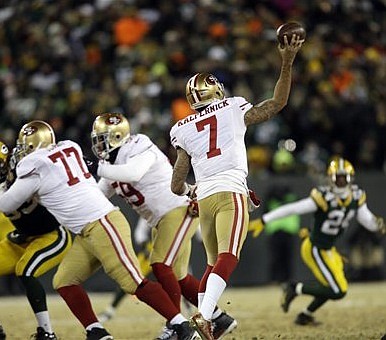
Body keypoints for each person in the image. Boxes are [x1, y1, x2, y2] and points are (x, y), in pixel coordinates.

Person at [0, 120, 196, 340]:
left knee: (133, 282)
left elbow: (6, 204)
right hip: (87, 229)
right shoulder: (69, 147)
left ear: (33, 148)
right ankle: (97, 331)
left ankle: (181, 326)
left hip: (102, 222)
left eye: (24, 147)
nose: (20, 153)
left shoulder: (36, 167)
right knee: (64, 280)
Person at [169, 33, 304, 339]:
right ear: (216, 91)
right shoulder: (232, 107)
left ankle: (203, 324)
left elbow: (177, 184)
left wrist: (191, 191)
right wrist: (287, 61)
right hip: (231, 191)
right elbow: (278, 103)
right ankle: (203, 317)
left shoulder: (182, 129)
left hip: (204, 198)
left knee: (211, 264)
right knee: (228, 258)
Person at [90, 112, 236, 340]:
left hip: (178, 208)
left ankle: (177, 326)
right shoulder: (110, 166)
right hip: (163, 218)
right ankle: (218, 318)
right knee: (178, 276)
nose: (98, 144)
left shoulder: (139, 146)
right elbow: (97, 196)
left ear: (117, 136)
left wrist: (95, 168)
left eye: (102, 138)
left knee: (159, 264)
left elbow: (133, 172)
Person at [248, 157, 386, 325]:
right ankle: (294, 288)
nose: (341, 182)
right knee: (338, 290)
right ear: (331, 178)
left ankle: (305, 315)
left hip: (329, 249)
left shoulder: (356, 196)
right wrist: (264, 220)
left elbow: (367, 220)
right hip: (315, 248)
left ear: (351, 178)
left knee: (332, 286)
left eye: (345, 178)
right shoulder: (323, 197)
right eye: (338, 177)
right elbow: (293, 208)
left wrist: (377, 224)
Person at [0, 139, 72, 340]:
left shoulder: (25, 175)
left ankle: (47, 333)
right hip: (23, 238)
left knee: (25, 270)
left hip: (52, 234)